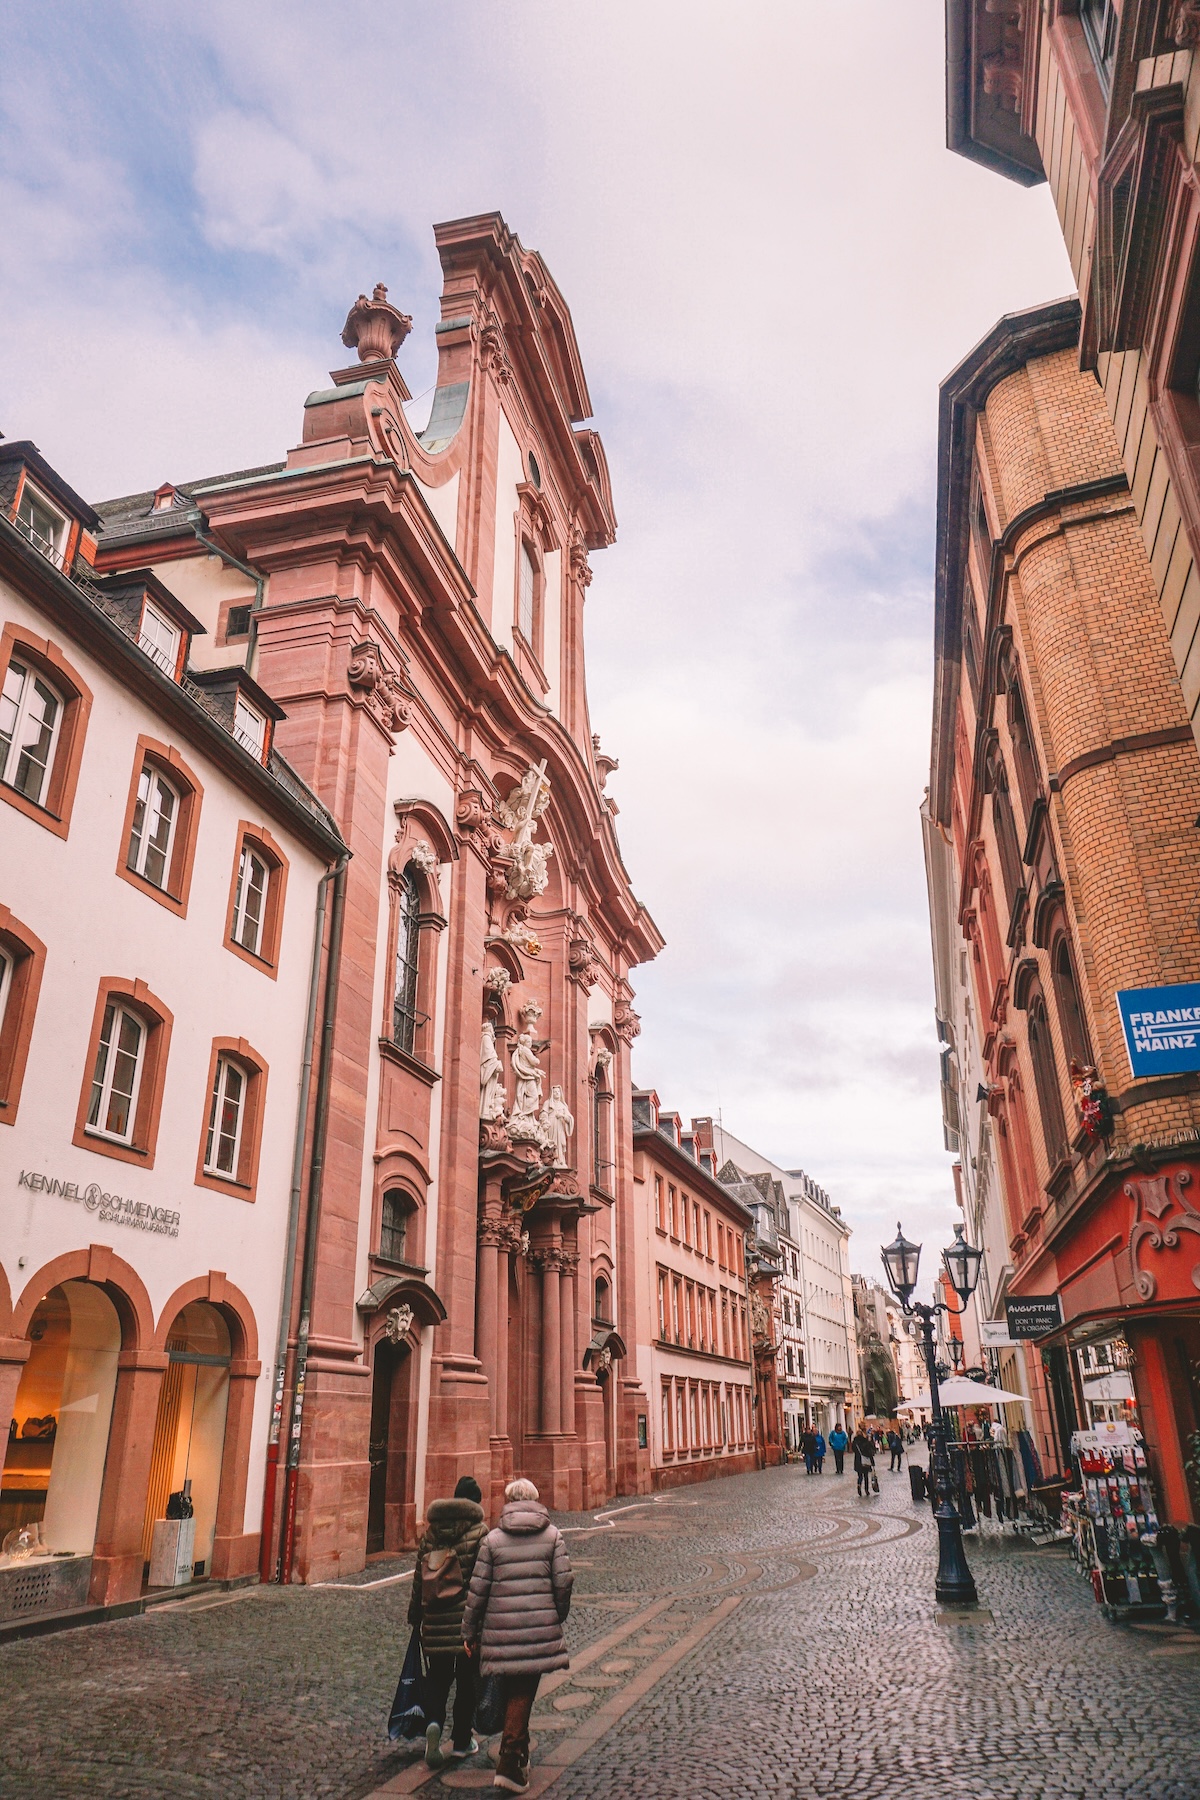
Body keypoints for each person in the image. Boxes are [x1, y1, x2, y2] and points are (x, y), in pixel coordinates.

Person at [462, 1477, 573, 1794]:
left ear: (508, 1502)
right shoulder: (552, 1536)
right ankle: (510, 1763)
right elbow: (563, 1583)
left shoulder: (492, 1540)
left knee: (514, 1689)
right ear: (536, 1501)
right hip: (538, 1630)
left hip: (500, 1633)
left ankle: (520, 1756)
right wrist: (556, 1615)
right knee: (522, 1691)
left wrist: (469, 1632)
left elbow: (477, 1591)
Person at [409, 1475, 487, 1768]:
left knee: (438, 1679)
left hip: (434, 1620)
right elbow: (483, 1581)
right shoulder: (480, 1532)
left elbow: (419, 1579)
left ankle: (433, 1724)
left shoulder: (430, 1533)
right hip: (466, 1624)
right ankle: (462, 1740)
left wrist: (415, 1615)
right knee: (467, 1683)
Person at [852, 1425, 876, 1497]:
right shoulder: (865, 1441)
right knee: (866, 1476)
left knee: (860, 1476)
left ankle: (859, 1484)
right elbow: (870, 1451)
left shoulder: (854, 1442)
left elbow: (853, 1450)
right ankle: (866, 1490)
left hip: (858, 1460)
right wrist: (872, 1462)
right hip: (865, 1460)